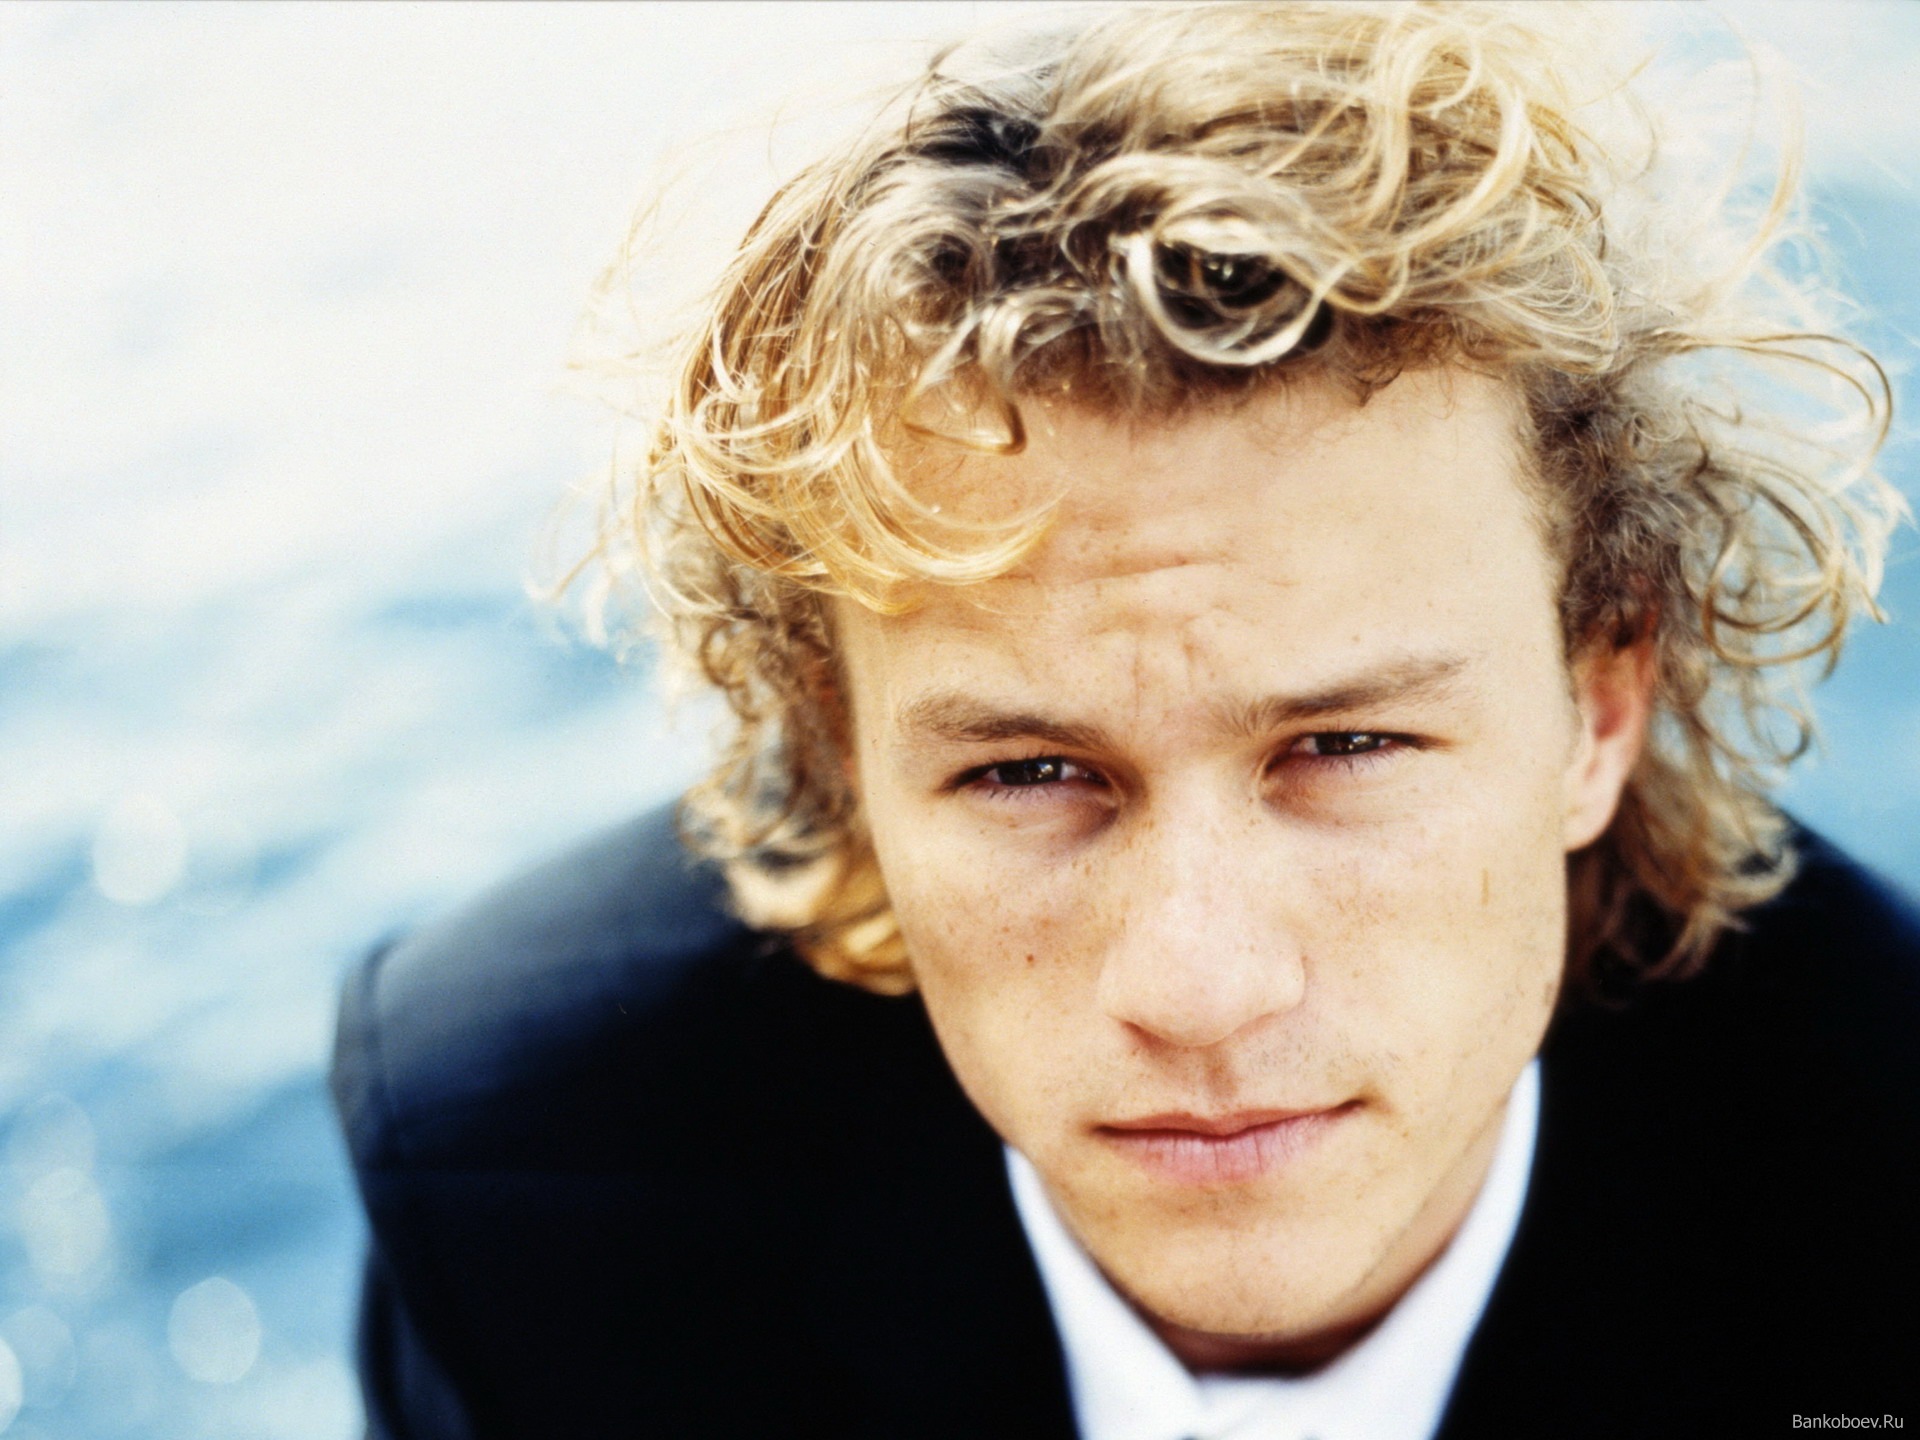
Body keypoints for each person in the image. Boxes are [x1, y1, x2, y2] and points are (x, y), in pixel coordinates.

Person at [331, 4, 1919, 1437]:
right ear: (841, 756)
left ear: (1602, 707)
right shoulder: (524, 1185)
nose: (1202, 990)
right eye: (1028, 771)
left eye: (1347, 746)